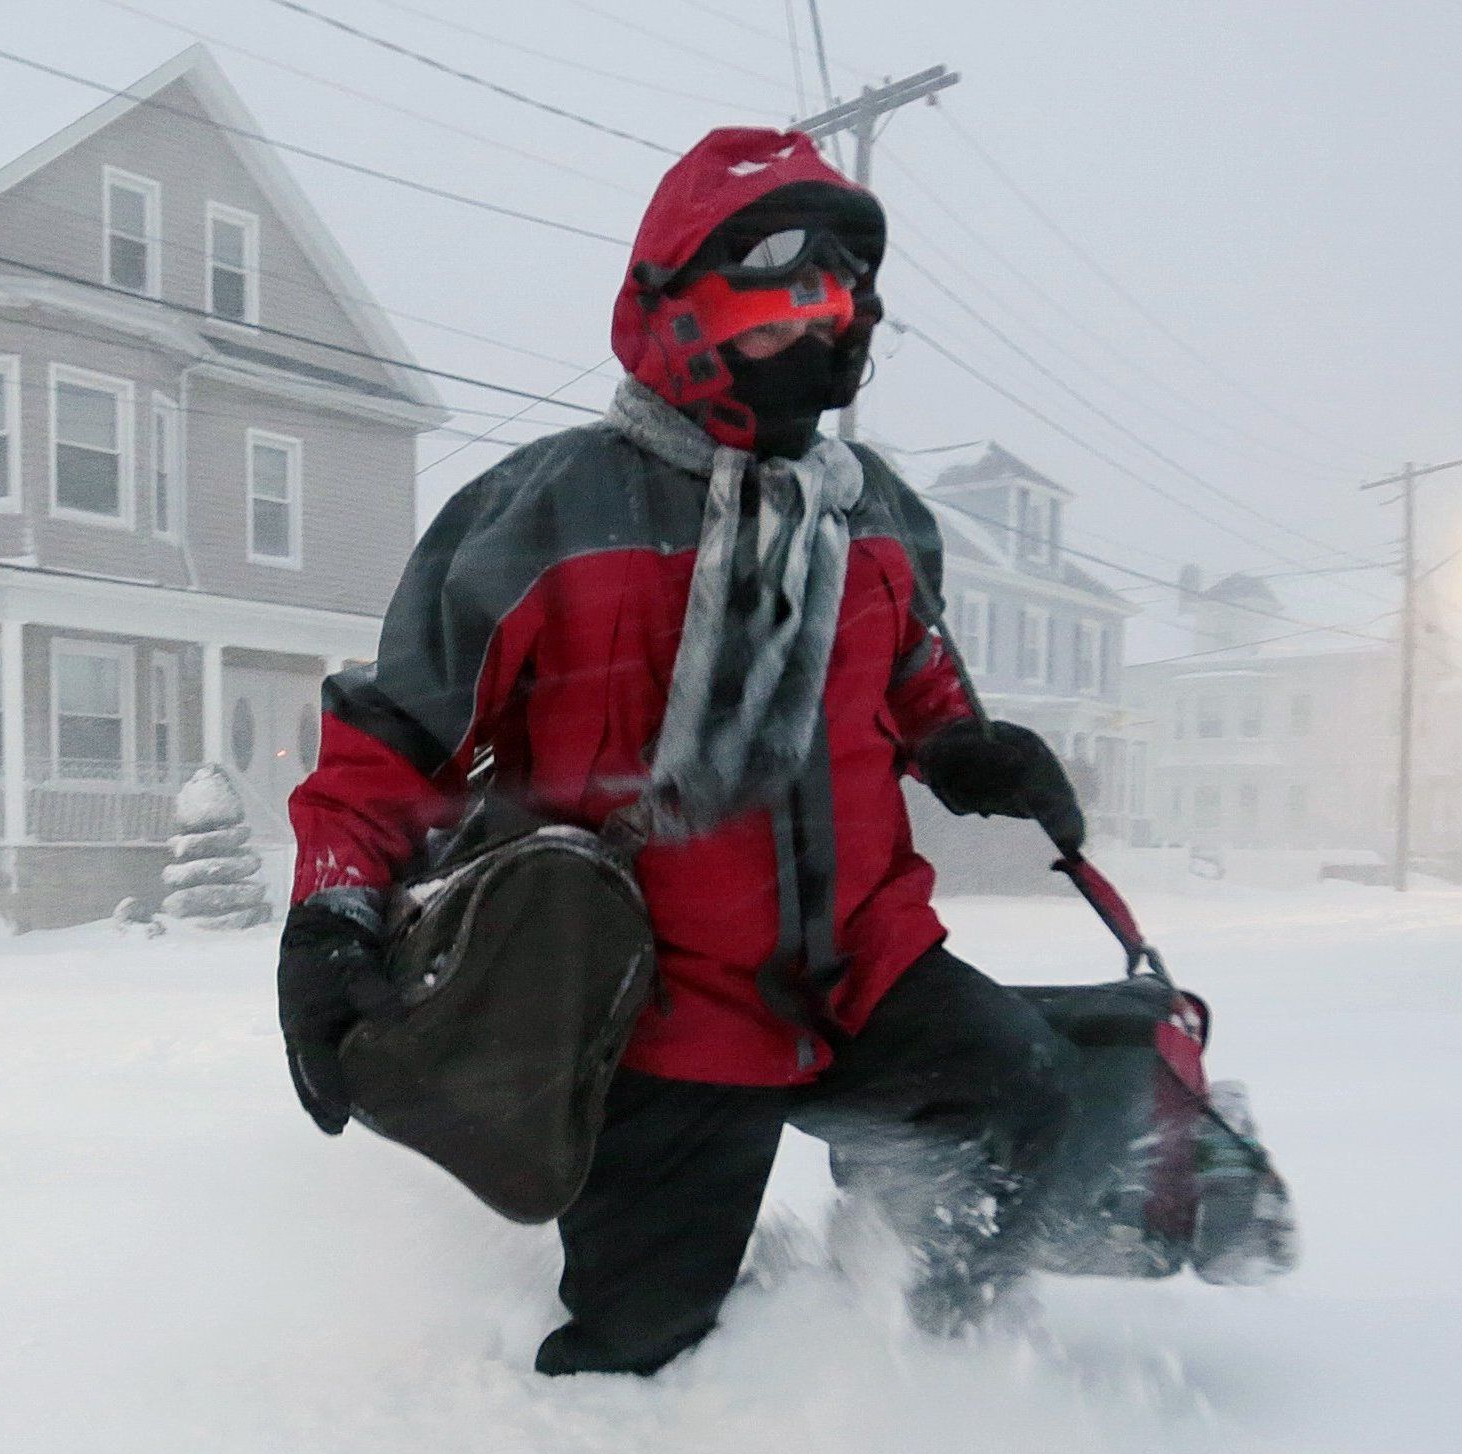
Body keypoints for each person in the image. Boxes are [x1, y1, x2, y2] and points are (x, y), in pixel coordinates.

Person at [276, 128, 1087, 1377]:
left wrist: (960, 743)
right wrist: (333, 918)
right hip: (657, 1006)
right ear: (681, 315)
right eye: (773, 312)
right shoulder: (546, 511)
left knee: (1019, 1095)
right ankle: (630, 1451)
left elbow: (913, 663)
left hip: (867, 966)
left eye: (834, 312)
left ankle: (926, 1365)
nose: (810, 340)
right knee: (644, 1347)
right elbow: (396, 737)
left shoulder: (872, 508)